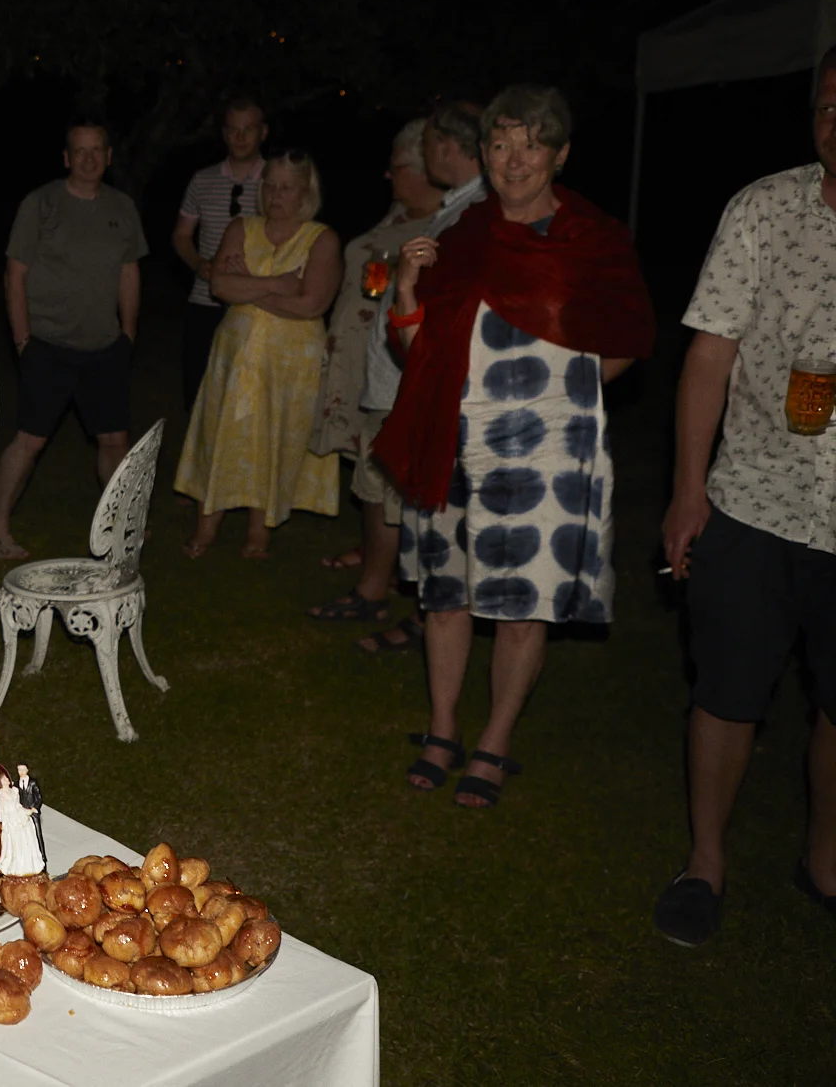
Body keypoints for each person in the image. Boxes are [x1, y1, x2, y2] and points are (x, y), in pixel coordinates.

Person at [374, 84, 654, 808]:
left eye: (532, 142)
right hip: (455, 437)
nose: (514, 158)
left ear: (560, 153)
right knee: (447, 592)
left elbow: (626, 338)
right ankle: (442, 726)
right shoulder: (465, 234)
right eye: (500, 143)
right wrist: (406, 284)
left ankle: (493, 739)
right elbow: (415, 348)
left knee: (522, 604)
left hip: (547, 450)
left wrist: (563, 396)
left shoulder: (590, 240)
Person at [653, 46, 836, 945]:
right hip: (755, 497)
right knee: (727, 689)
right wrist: (690, 490)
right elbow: (709, 355)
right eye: (830, 106)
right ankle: (706, 860)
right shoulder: (765, 207)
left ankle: (826, 858)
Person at [305, 118, 442, 625]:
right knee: (370, 475)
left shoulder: (442, 225)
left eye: (398, 166)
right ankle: (375, 557)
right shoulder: (398, 215)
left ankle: (377, 587)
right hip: (363, 365)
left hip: (395, 371)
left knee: (386, 475)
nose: (388, 175)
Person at [0, 120, 148, 559]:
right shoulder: (41, 204)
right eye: (79, 150)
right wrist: (23, 340)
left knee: (114, 441)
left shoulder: (122, 207)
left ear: (109, 156)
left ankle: (121, 526)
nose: (89, 158)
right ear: (66, 158)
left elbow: (129, 271)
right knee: (30, 441)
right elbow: (15, 275)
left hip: (105, 347)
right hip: (48, 344)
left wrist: (128, 332)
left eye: (97, 150)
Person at [172, 150, 342, 557]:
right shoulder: (241, 228)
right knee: (222, 432)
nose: (275, 194)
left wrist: (250, 283)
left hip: (292, 359)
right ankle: (206, 527)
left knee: (276, 434)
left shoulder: (322, 238)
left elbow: (311, 305)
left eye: (286, 187)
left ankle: (258, 533)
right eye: (269, 185)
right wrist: (279, 284)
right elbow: (220, 288)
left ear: (305, 192)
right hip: (236, 353)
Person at [174, 98, 269, 411]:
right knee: (199, 395)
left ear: (263, 133)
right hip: (205, 302)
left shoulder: (277, 183)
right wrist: (199, 263)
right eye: (233, 130)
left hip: (258, 304)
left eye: (249, 130)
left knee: (247, 400)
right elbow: (182, 236)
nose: (240, 137)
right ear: (224, 134)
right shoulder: (202, 180)